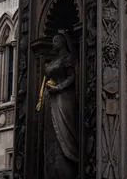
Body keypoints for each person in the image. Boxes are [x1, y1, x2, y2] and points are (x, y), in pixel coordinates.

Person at [40, 32, 79, 179]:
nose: (53, 42)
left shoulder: (68, 58)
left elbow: (72, 76)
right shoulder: (53, 60)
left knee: (63, 131)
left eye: (56, 40)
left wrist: (59, 88)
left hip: (63, 98)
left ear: (63, 42)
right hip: (50, 99)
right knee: (50, 135)